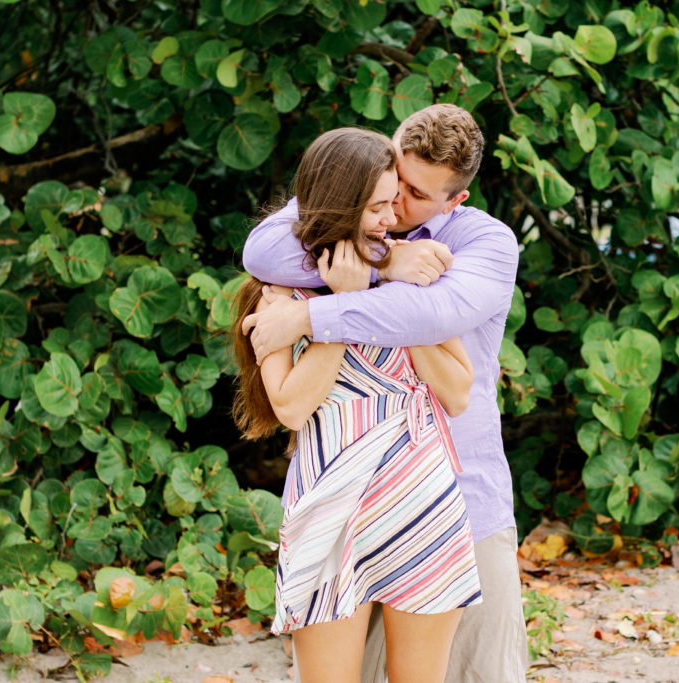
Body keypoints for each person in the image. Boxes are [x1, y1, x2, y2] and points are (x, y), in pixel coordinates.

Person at [240, 104, 525, 682]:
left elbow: (437, 322)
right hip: (335, 501)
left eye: (414, 196)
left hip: (453, 495)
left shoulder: (481, 243)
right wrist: (385, 261)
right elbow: (260, 253)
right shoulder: (342, 235)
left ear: (454, 202)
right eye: (389, 182)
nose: (394, 207)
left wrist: (321, 313)